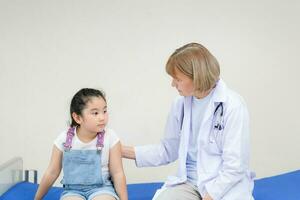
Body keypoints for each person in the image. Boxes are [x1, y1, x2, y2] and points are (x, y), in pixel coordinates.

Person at [122, 43, 255, 200]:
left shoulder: (233, 105)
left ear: (197, 77)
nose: (173, 84)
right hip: (190, 183)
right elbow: (167, 150)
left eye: (177, 79)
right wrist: (120, 150)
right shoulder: (180, 104)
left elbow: (235, 166)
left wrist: (209, 197)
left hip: (225, 186)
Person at [35, 88, 128, 200]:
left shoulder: (111, 137)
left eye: (104, 111)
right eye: (95, 113)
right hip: (72, 192)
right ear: (78, 118)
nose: (102, 117)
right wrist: (37, 198)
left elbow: (117, 173)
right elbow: (52, 172)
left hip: (102, 189)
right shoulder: (64, 139)